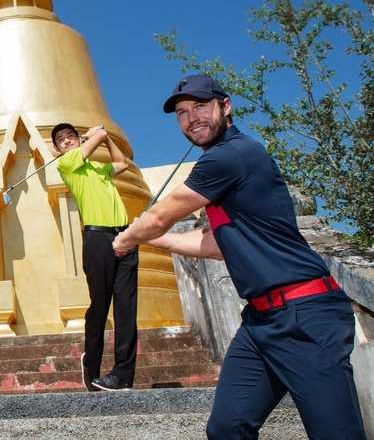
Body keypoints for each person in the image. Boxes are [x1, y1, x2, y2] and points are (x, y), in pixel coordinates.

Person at [111, 75, 365, 440]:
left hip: (305, 314)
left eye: (200, 106)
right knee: (228, 428)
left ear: (225, 106)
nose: (191, 118)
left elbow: (159, 216)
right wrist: (155, 241)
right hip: (261, 321)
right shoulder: (223, 169)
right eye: (182, 113)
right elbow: (216, 245)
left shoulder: (231, 156)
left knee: (335, 433)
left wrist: (127, 237)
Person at [51, 122, 137, 392]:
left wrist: (108, 138)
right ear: (57, 149)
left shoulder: (97, 169)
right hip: (98, 239)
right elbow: (96, 137)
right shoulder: (67, 165)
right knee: (100, 305)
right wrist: (97, 134)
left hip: (125, 235)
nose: (66, 141)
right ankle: (92, 367)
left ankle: (123, 374)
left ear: (77, 139)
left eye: (70, 137)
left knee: (126, 309)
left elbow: (122, 163)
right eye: (61, 140)